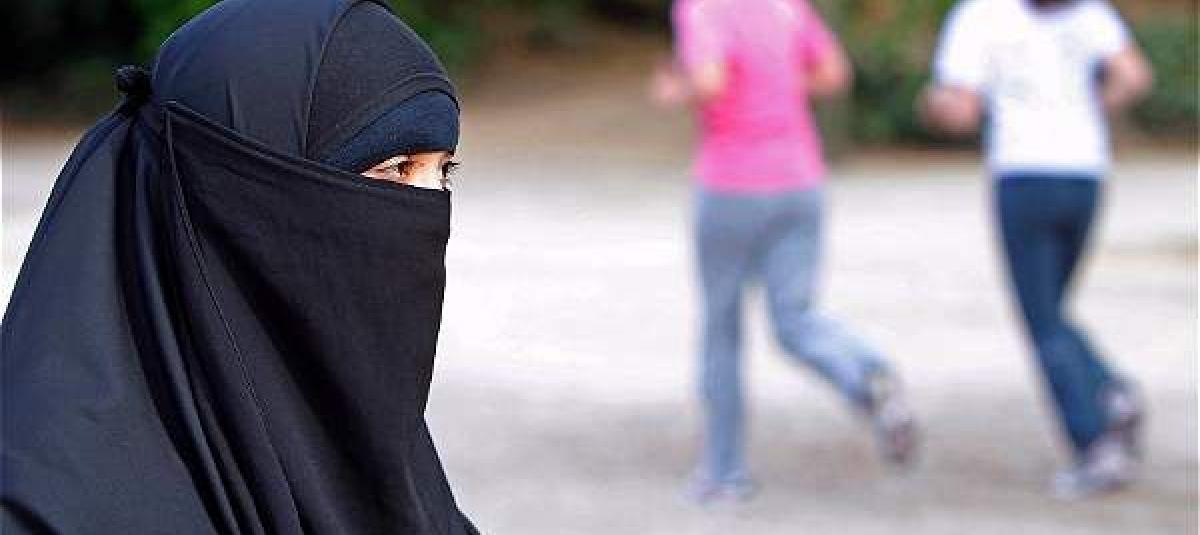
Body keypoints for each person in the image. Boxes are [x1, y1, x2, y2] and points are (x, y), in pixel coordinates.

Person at [1, 0, 480, 532]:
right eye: (395, 168)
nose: (430, 209)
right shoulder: (48, 510)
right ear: (239, 191)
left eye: (444, 172)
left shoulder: (359, 427)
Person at [654, 0, 918, 504]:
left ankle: (724, 472)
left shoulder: (702, 8)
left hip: (732, 184)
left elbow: (711, 81)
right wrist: (779, 89)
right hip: (800, 180)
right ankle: (867, 374)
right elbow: (834, 73)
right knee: (795, 318)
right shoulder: (787, 5)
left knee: (722, 329)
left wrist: (676, 89)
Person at [922, 0, 1153, 499]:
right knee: (1054, 310)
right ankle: (1110, 389)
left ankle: (1093, 441)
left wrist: (934, 105)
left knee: (1042, 318)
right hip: (1084, 170)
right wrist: (1090, 107)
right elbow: (1133, 75)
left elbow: (962, 109)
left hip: (1024, 171)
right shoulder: (1087, 11)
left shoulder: (980, 16)